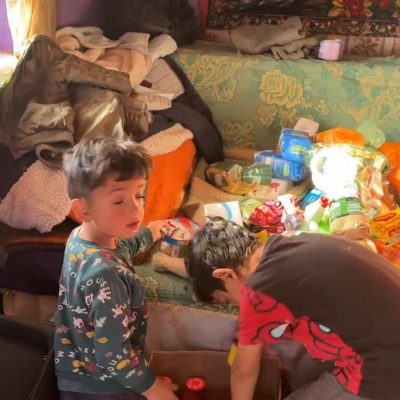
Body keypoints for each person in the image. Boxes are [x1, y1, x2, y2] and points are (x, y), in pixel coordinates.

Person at [185, 217, 400, 400]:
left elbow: (243, 371)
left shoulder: (258, 292)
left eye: (227, 301)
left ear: (226, 275)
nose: (237, 307)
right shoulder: (292, 242)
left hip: (382, 370)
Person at [54, 138, 178, 400]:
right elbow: (114, 355)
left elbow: (122, 245)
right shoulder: (106, 275)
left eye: (139, 195)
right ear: (83, 210)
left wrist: (150, 233)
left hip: (78, 368)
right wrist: (155, 388)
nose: (136, 208)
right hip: (104, 386)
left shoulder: (81, 236)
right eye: (119, 201)